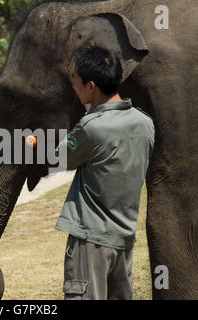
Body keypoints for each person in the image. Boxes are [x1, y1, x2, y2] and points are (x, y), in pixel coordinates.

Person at [54, 46, 155, 300]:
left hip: (91, 241)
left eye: (74, 80)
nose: (72, 86)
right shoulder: (145, 124)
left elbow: (61, 158)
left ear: (91, 86)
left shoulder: (90, 127)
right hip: (124, 240)